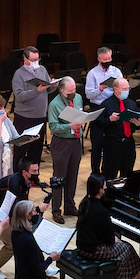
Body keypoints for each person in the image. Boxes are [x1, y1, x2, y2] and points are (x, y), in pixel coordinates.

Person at [75, 174, 140, 279]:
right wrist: (115, 239)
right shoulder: (102, 211)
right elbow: (109, 240)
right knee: (128, 248)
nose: (105, 189)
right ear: (99, 190)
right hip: (94, 251)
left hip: (82, 247)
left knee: (123, 248)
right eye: (104, 187)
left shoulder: (84, 203)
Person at [0, 158, 50, 279]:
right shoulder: (14, 185)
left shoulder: (25, 181)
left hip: (7, 212)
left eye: (38, 170)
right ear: (25, 172)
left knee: (29, 235)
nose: (37, 173)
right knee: (11, 244)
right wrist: (37, 209)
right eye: (34, 171)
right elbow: (18, 209)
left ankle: (40, 264)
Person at [45, 76, 83, 223]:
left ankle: (69, 205)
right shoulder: (54, 104)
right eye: (69, 91)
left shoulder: (78, 98)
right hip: (61, 143)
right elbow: (53, 127)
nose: (73, 93)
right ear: (61, 91)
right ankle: (56, 210)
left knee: (73, 175)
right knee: (59, 177)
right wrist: (69, 126)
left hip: (75, 141)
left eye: (74, 90)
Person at [84, 47, 123, 175]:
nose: (107, 61)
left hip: (113, 106)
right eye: (105, 59)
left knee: (111, 143)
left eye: (109, 58)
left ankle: (108, 172)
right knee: (97, 145)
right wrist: (100, 89)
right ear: (99, 59)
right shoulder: (92, 73)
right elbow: (89, 95)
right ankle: (95, 173)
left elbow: (122, 87)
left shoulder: (116, 71)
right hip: (98, 108)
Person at [11, 46, 53, 163]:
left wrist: (53, 86)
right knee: (21, 150)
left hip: (40, 117)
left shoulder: (42, 70)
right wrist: (37, 90)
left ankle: (34, 179)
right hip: (25, 118)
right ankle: (17, 178)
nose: (36, 62)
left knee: (36, 150)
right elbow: (19, 97)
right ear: (25, 60)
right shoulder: (19, 74)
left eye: (37, 59)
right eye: (33, 60)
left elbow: (47, 90)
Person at [96, 77, 140, 179]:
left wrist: (138, 124)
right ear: (115, 89)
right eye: (124, 89)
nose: (127, 91)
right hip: (113, 144)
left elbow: (137, 122)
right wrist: (110, 119)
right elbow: (99, 124)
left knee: (128, 174)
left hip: (129, 143)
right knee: (110, 174)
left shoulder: (131, 103)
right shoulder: (106, 104)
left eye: (128, 89)